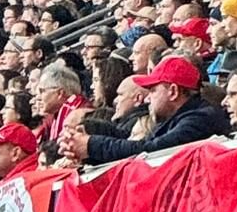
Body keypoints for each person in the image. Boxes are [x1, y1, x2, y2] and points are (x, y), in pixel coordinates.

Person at [60, 56, 228, 165]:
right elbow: (134, 141)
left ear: (173, 91)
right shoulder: (179, 118)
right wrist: (87, 138)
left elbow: (152, 151)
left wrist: (91, 145)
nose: (148, 98)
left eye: (153, 90)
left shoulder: (200, 119)